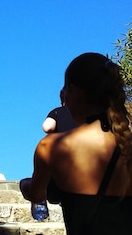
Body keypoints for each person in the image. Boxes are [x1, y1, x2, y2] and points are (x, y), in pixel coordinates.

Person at [20, 52, 132, 234]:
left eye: (66, 90)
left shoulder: (52, 148)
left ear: (76, 92)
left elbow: (36, 194)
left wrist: (23, 184)